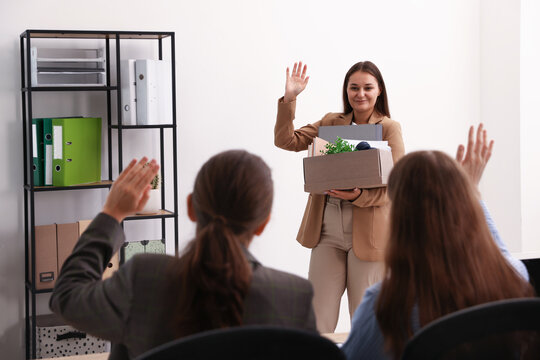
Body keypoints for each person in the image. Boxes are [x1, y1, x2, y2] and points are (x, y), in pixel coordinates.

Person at [49, 150, 316, 360]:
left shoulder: (144, 278)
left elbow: (66, 297)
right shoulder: (294, 297)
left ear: (190, 207)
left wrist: (112, 213)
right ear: (263, 223)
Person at [341, 124, 534, 360]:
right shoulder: (514, 276)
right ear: (466, 208)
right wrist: (471, 191)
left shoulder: (386, 304)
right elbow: (499, 251)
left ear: (400, 220)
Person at [274, 61, 405, 332]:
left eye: (368, 88)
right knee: (318, 320)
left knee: (365, 320)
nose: (361, 94)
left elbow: (397, 184)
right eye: (354, 87)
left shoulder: (389, 127)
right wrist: (290, 99)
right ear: (346, 90)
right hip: (326, 229)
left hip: (369, 231)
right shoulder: (331, 122)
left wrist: (358, 196)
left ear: (379, 90)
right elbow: (286, 141)